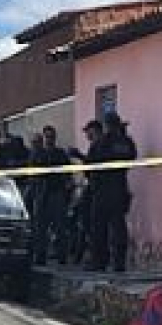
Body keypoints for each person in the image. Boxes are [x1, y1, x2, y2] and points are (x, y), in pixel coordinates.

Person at [87, 113, 136, 272]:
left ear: (106, 125)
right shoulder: (127, 142)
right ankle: (118, 264)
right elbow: (131, 158)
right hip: (120, 187)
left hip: (102, 191)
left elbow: (90, 167)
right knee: (119, 227)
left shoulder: (100, 142)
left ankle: (99, 263)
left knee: (99, 229)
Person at [28, 127, 75, 266]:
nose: (49, 140)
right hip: (42, 193)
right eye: (47, 137)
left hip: (56, 192)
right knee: (40, 227)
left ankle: (62, 256)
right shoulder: (37, 153)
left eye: (51, 137)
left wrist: (67, 188)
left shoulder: (60, 153)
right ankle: (41, 256)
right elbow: (32, 173)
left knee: (60, 227)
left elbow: (68, 173)